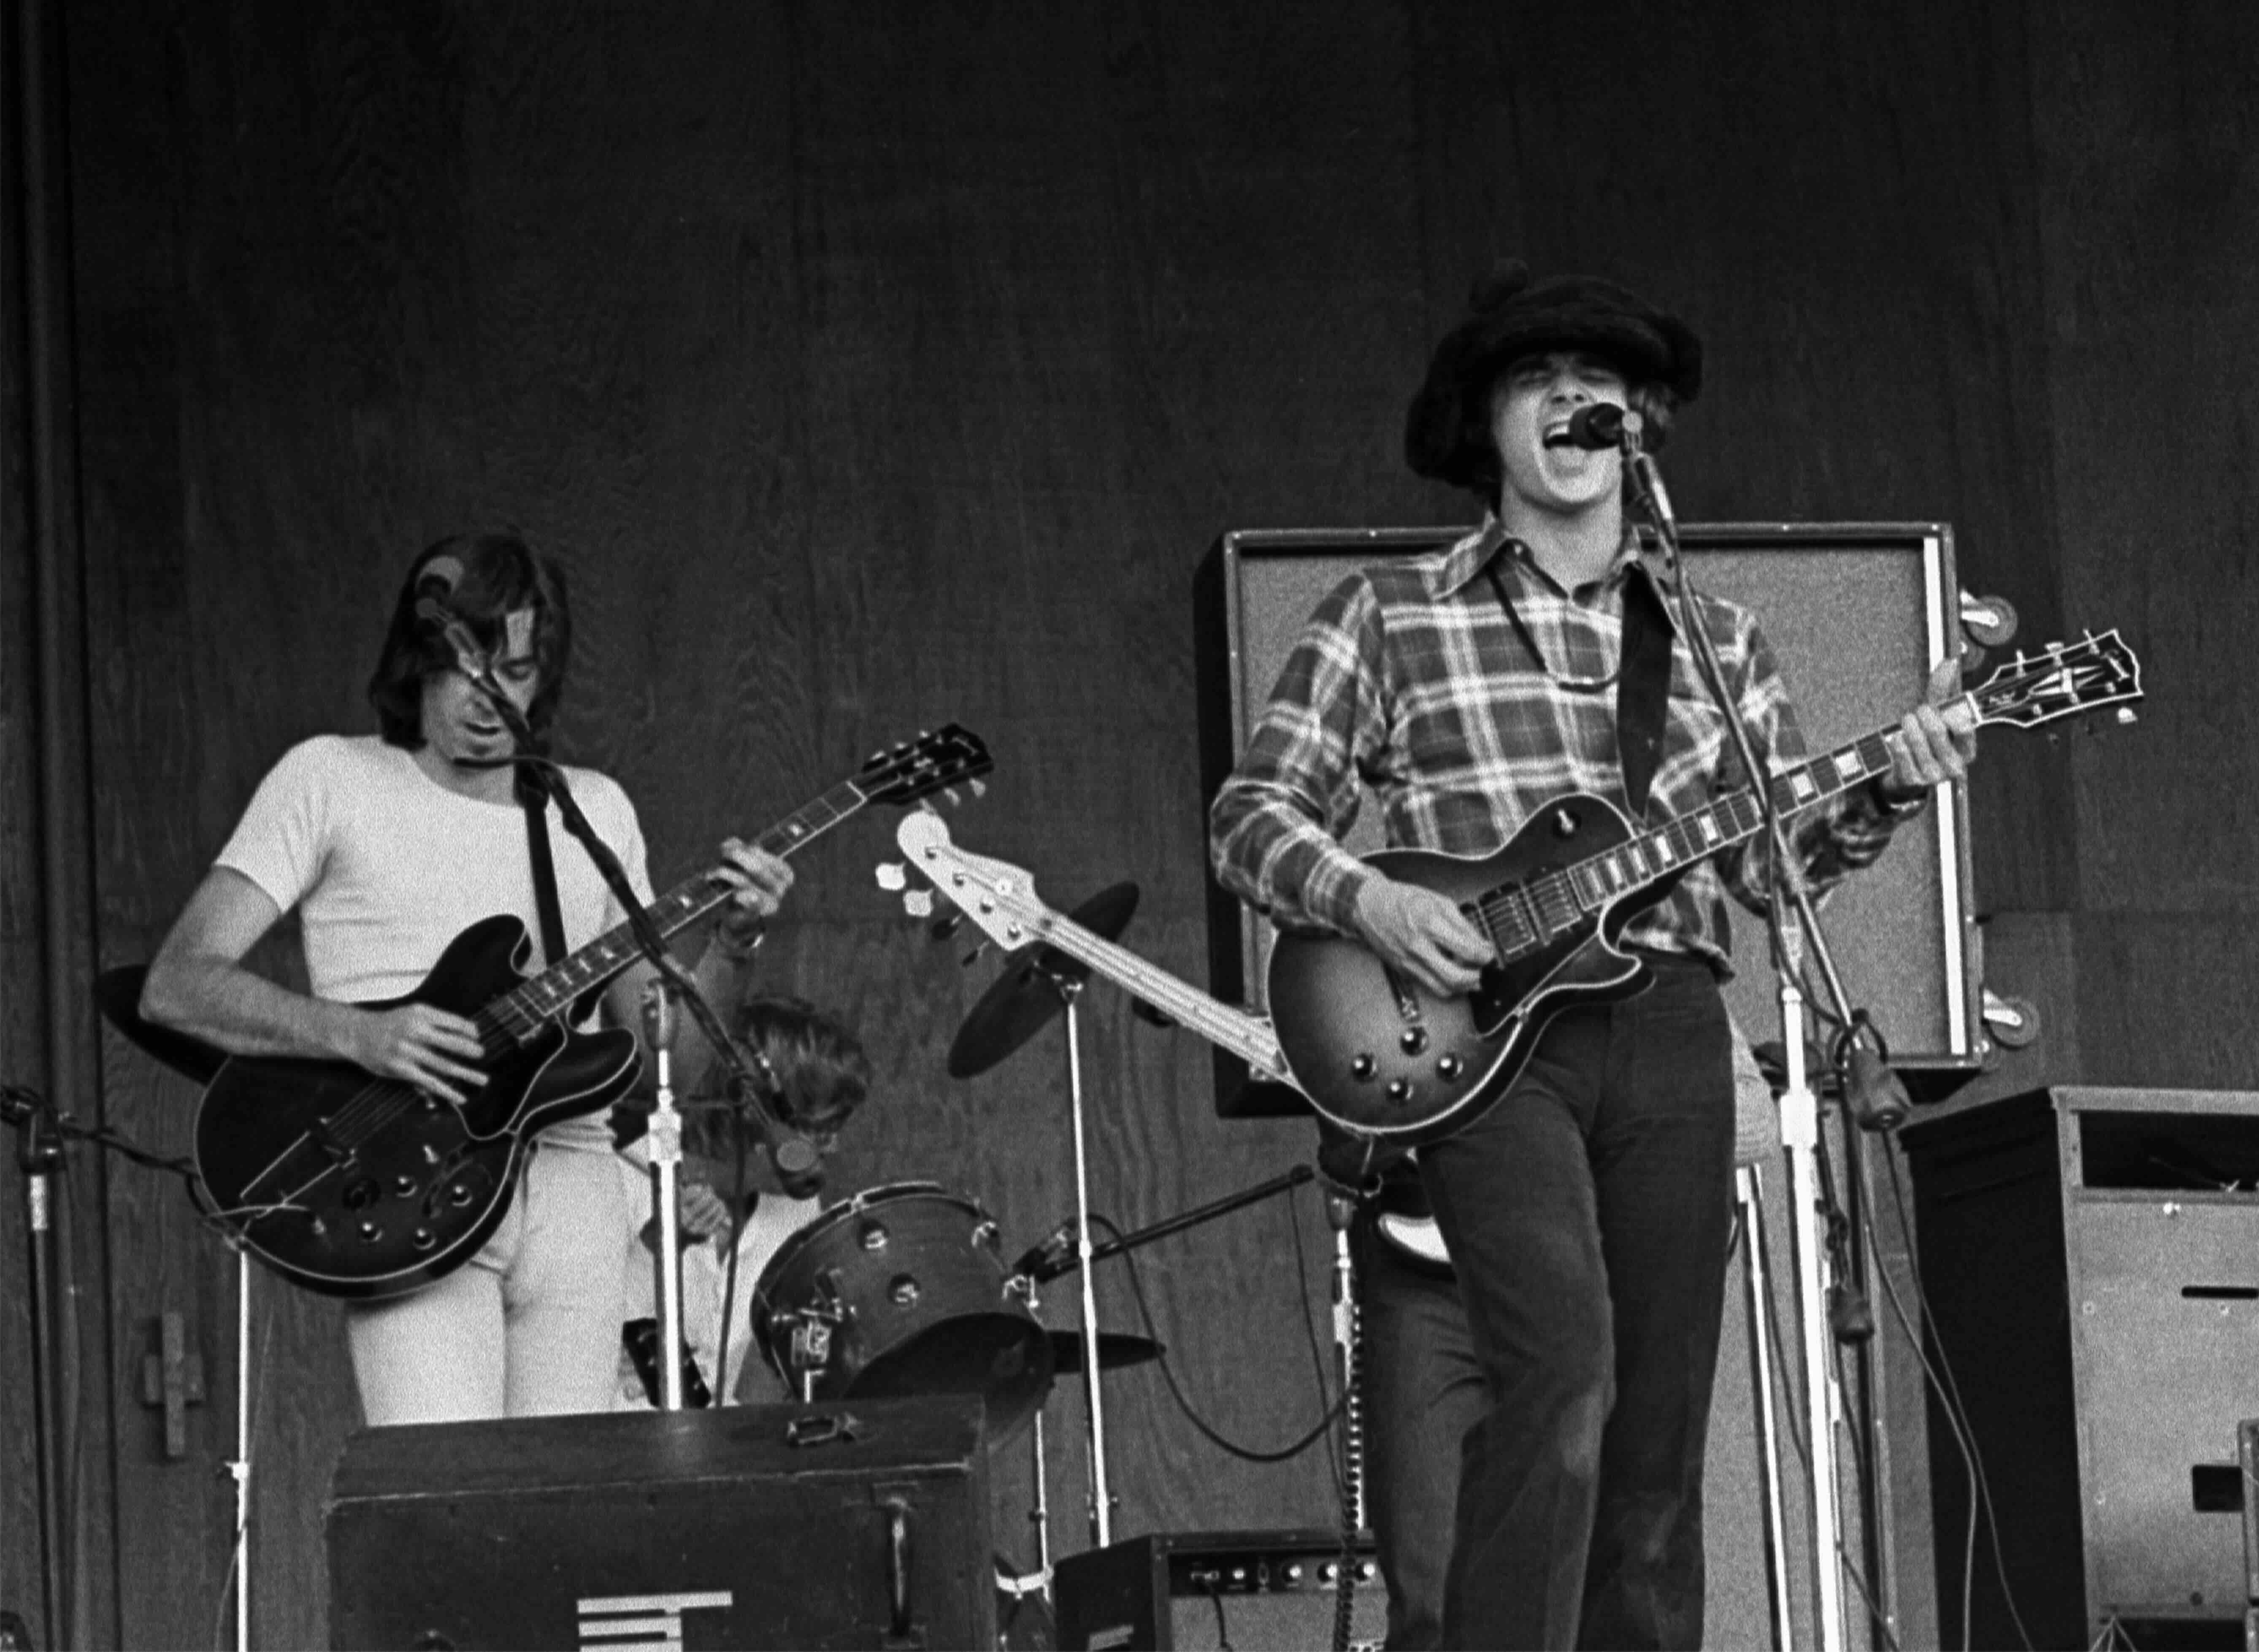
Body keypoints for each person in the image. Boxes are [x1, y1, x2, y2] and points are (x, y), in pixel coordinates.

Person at [1211, 261, 1975, 1648]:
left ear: (1643, 429)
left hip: (1672, 1022)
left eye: (1605, 386)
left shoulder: (1711, 633)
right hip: (1489, 1038)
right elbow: (1249, 815)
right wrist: (1373, 905)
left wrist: (1892, 785)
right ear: (1482, 423)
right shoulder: (1387, 613)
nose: (1576, 399)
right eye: (1536, 378)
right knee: (1562, 1373)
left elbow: (1764, 867)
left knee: (1657, 1435)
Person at [140, 530, 795, 1427]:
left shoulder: (589, 809)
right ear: (419, 661)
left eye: (517, 673)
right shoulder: (330, 779)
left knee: (555, 1513)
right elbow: (178, 981)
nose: (491, 700)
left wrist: (734, 942)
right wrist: (361, 1034)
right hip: (410, 1176)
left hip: (575, 1183)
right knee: (445, 1502)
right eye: (467, 667)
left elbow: (658, 1059)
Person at [1343, 1021, 1776, 1652]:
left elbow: (1754, 1121)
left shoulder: (1626, 960)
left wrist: (1569, 1147)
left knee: (1630, 1571)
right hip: (1432, 1285)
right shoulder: (1418, 959)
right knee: (1434, 1598)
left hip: (1585, 1293)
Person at [615, 994, 872, 1409]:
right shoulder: (617, 1175)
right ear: (759, 1123)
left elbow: (801, 1348)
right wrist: (657, 1246)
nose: (835, 1147)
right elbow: (564, 1341)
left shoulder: (797, 1209)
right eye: (823, 1130)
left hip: (717, 1447)